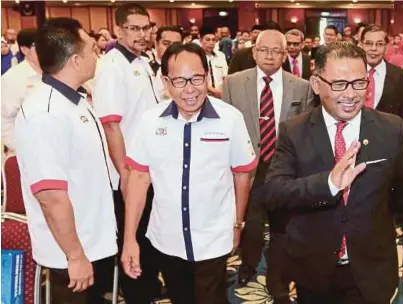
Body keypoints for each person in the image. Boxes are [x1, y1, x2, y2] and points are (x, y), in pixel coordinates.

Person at [262, 41, 403, 304]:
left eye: (359, 83)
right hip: (313, 269)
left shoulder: (390, 129)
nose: (351, 94)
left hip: (371, 268)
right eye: (339, 84)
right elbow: (273, 193)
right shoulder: (294, 131)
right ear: (316, 84)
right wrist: (327, 183)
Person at [121, 42, 256, 304]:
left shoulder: (231, 119)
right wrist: (129, 239)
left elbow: (242, 176)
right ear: (165, 82)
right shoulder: (150, 121)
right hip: (166, 236)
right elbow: (138, 178)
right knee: (180, 297)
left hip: (213, 236)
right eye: (180, 81)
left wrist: (238, 225)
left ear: (208, 76)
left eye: (197, 78)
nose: (190, 89)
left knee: (211, 298)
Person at [15, 17, 118, 303]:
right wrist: (75, 256)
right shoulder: (45, 114)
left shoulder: (73, 101)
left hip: (90, 242)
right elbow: (50, 196)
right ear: (74, 60)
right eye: (91, 51)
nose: (97, 55)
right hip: (71, 253)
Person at [222, 30, 314, 304]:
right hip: (247, 165)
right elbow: (225, 125)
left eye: (277, 50)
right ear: (254, 52)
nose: (270, 55)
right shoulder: (233, 83)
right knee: (249, 222)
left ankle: (279, 280)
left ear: (285, 54)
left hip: (284, 166)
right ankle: (247, 265)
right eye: (264, 50)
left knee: (282, 227)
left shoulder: (301, 86)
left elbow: (306, 129)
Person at [92, 3, 161, 303]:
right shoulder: (111, 65)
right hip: (130, 173)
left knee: (147, 237)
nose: (142, 34)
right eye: (134, 28)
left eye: (146, 28)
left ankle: (146, 287)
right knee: (134, 240)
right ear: (119, 30)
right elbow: (111, 125)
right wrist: (124, 175)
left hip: (148, 168)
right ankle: (138, 294)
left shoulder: (142, 62)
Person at [359, 24, 403, 156]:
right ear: (360, 45)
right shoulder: (350, 73)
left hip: (389, 151)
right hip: (354, 147)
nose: (373, 49)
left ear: (386, 46)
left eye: (379, 44)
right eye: (368, 43)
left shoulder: (400, 77)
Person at [2, 28, 42, 153]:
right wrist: (25, 149)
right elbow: (4, 120)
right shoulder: (13, 78)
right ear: (25, 49)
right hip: (30, 151)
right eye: (39, 45)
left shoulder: (56, 71)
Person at [149, 25, 183, 101]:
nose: (171, 48)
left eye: (176, 44)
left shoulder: (187, 69)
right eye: (166, 43)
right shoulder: (148, 69)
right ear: (156, 44)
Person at [199, 25, 228, 98]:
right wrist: (213, 91)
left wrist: (222, 91)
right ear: (201, 40)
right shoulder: (196, 57)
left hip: (221, 94)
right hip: (203, 95)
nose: (211, 43)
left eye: (213, 40)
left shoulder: (221, 55)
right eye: (208, 40)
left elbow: (225, 76)